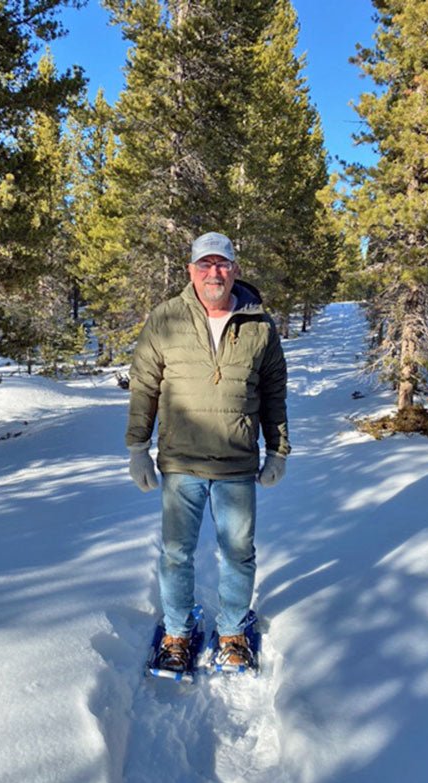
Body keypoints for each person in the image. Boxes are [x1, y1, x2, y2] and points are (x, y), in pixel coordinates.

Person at [125, 231, 290, 672]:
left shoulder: (259, 324)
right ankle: (178, 632)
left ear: (235, 269)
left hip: (237, 464)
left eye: (222, 264)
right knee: (176, 552)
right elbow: (144, 387)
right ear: (191, 271)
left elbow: (274, 391)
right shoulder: (165, 319)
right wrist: (138, 447)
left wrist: (278, 450)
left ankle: (233, 631)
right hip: (181, 463)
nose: (213, 273)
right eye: (205, 264)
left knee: (238, 552)